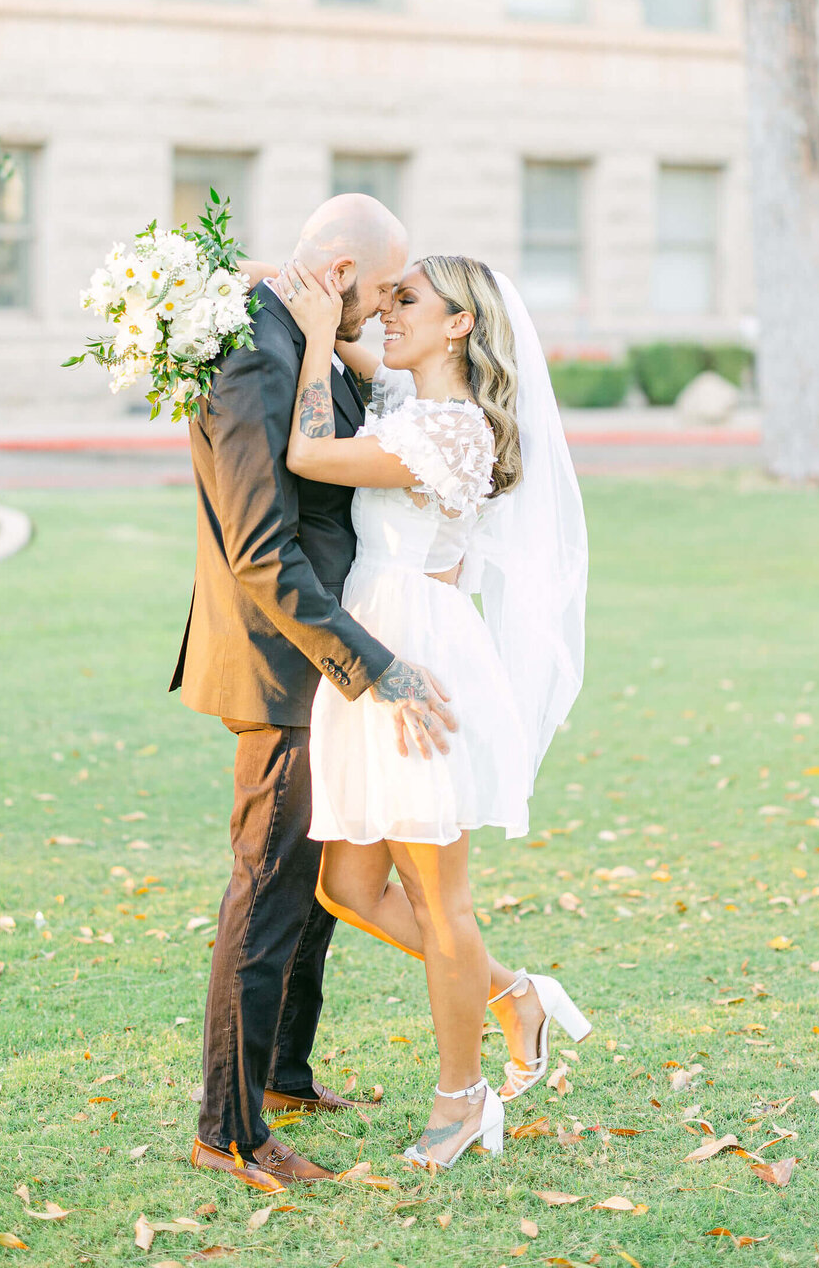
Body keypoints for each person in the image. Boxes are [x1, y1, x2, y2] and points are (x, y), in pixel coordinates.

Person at [279, 250, 591, 1170]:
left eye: (406, 299)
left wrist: (305, 343)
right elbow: (350, 331)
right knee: (347, 885)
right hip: (377, 646)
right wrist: (308, 285)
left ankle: (462, 1099)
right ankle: (513, 993)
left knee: (436, 897)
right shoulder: (410, 406)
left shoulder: (451, 432)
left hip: (418, 659)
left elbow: (305, 453)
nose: (385, 311)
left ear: (459, 323)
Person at [171, 194, 458, 1193]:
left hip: (319, 661)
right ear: (339, 271)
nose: (386, 308)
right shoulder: (257, 353)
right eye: (381, 288)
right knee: (268, 891)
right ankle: (229, 1129)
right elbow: (261, 550)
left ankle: (284, 1075)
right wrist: (372, 662)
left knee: (317, 888)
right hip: (286, 661)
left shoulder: (302, 338)